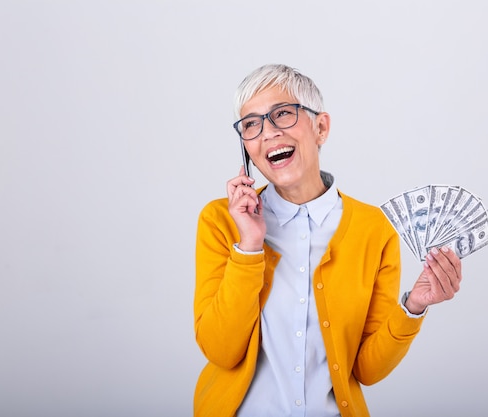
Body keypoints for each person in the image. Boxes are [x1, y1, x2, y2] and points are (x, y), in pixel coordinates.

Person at [193, 64, 462, 417]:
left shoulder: (374, 229)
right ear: (246, 147)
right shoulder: (221, 221)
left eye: (283, 114)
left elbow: (367, 370)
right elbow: (220, 350)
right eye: (251, 124)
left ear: (321, 127)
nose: (268, 133)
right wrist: (249, 246)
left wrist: (414, 306)